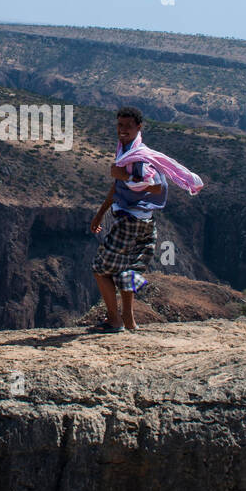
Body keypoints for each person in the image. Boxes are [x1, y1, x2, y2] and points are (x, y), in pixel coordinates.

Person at [89, 107, 167, 331]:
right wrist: (101, 213)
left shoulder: (140, 156)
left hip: (131, 223)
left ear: (139, 127)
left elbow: (157, 186)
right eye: (120, 125)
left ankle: (114, 321)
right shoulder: (125, 151)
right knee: (128, 271)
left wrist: (126, 176)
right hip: (144, 223)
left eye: (128, 126)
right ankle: (130, 322)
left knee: (100, 269)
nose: (122, 130)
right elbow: (118, 187)